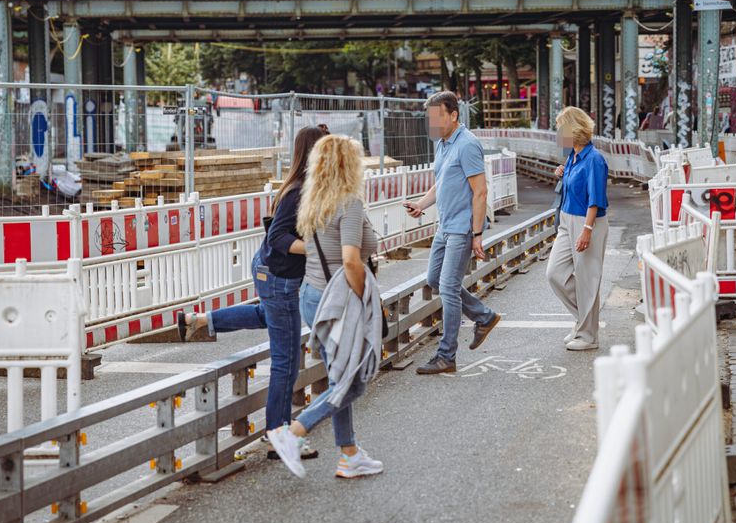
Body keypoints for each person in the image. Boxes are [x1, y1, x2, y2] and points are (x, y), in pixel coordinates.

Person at [178, 124, 329, 461]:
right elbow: (278, 237)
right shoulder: (298, 191)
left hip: (273, 274)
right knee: (286, 360)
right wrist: (316, 250)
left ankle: (201, 320)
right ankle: (278, 434)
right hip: (277, 275)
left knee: (268, 316)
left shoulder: (308, 187)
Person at [266, 134, 384, 479]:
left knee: (339, 378)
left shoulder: (312, 202)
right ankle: (293, 432)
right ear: (350, 164)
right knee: (353, 381)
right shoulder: (349, 203)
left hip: (312, 295)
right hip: (341, 299)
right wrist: (364, 297)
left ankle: (349, 454)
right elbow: (350, 260)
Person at [403, 91, 501, 375]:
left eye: (437, 118)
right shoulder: (442, 144)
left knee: (447, 287)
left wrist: (477, 233)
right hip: (443, 227)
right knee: (435, 279)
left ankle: (447, 356)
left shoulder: (467, 144)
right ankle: (484, 316)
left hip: (461, 229)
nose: (432, 124)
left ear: (454, 115)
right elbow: (442, 181)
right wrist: (421, 205)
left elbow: (480, 191)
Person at [546, 106, 610, 351]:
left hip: (587, 220)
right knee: (555, 273)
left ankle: (588, 335)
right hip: (566, 219)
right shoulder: (572, 155)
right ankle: (583, 320)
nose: (557, 133)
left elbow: (596, 198)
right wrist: (562, 172)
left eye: (560, 128)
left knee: (587, 278)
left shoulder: (594, 159)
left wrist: (587, 229)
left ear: (574, 129)